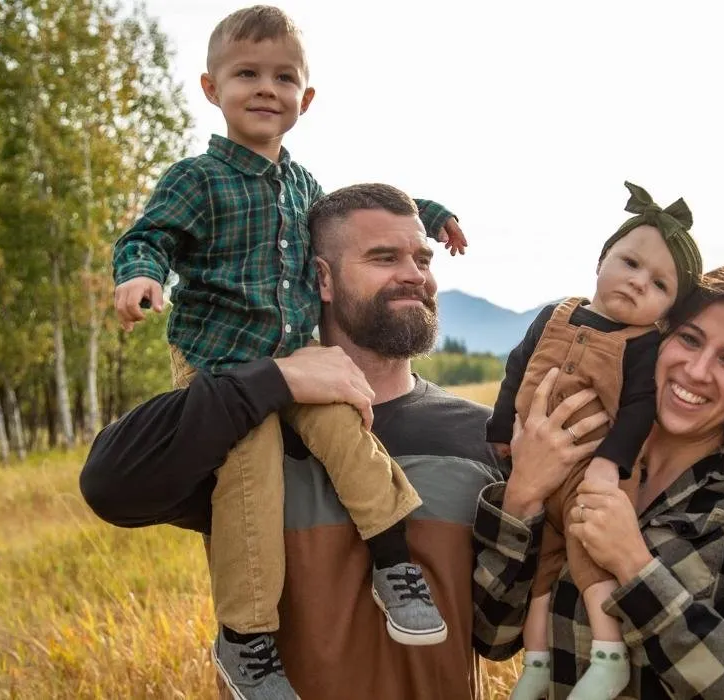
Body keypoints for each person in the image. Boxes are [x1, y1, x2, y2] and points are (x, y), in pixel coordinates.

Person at [109, 7, 466, 698]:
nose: (265, 88)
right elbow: (149, 235)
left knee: (349, 430)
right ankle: (247, 640)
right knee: (250, 473)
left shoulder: (303, 187)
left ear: (305, 99)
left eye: (283, 77)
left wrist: (428, 210)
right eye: (247, 74)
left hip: (300, 360)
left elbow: (353, 211)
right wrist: (141, 274)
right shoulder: (198, 181)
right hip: (221, 366)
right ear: (212, 88)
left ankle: (394, 566)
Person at [83, 183, 553, 700]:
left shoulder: (480, 437)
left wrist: (527, 498)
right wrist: (268, 384)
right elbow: (109, 485)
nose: (415, 274)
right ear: (321, 279)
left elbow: (497, 635)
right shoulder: (246, 432)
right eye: (384, 257)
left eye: (422, 258)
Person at [473, 259, 724, 699]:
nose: (697, 371)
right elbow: (493, 635)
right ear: (653, 337)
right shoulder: (571, 464)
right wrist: (523, 495)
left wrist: (636, 567)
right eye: (689, 339)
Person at [486, 182, 702, 699]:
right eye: (629, 263)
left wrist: (610, 463)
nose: (636, 282)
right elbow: (517, 369)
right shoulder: (555, 313)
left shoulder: (643, 344)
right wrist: (499, 433)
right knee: (542, 566)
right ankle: (537, 663)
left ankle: (608, 658)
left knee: (588, 557)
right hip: (531, 465)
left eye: (658, 284)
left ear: (667, 313)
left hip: (587, 470)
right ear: (602, 259)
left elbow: (637, 411)